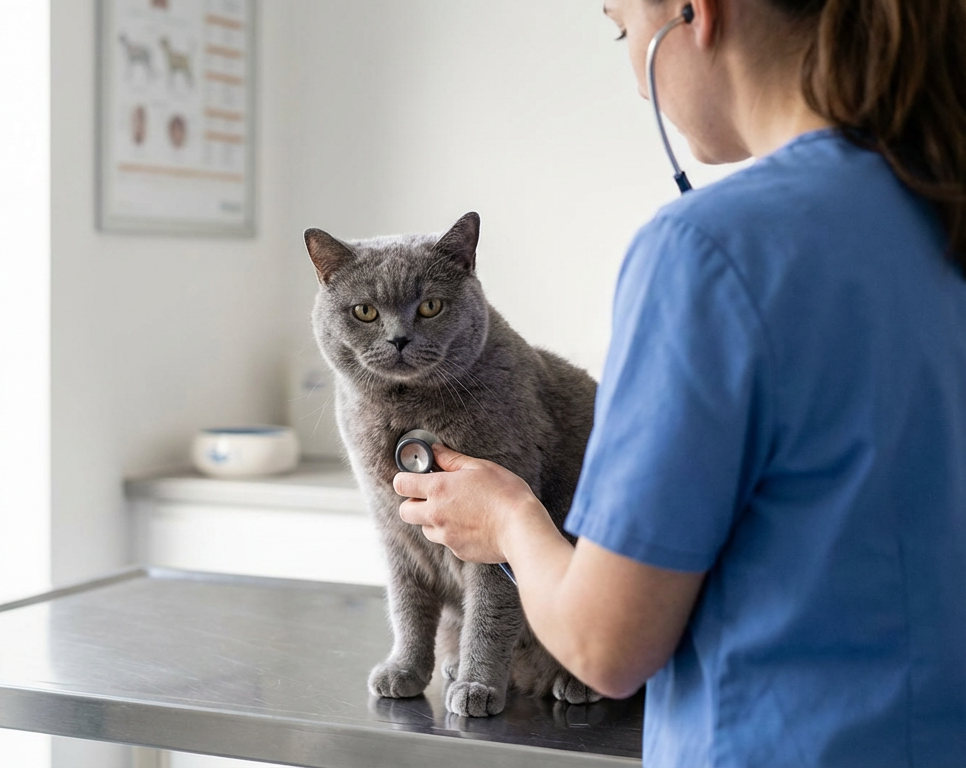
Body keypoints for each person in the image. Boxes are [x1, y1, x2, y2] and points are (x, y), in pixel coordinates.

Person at [393, 0, 966, 766]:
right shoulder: (941, 206)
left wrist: (508, 523)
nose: (635, 79)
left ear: (699, 13)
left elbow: (605, 644)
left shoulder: (709, 252)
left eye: (623, 28)